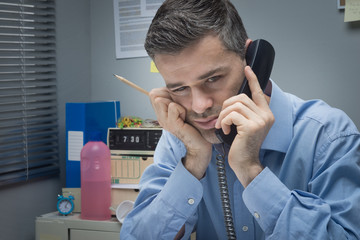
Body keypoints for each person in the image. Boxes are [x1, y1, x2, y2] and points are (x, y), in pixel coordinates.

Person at [120, 0, 360, 239]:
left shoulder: (329, 135)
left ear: (251, 59)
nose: (199, 105)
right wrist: (192, 162)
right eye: (180, 88)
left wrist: (250, 170)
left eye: (213, 79)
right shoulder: (179, 140)